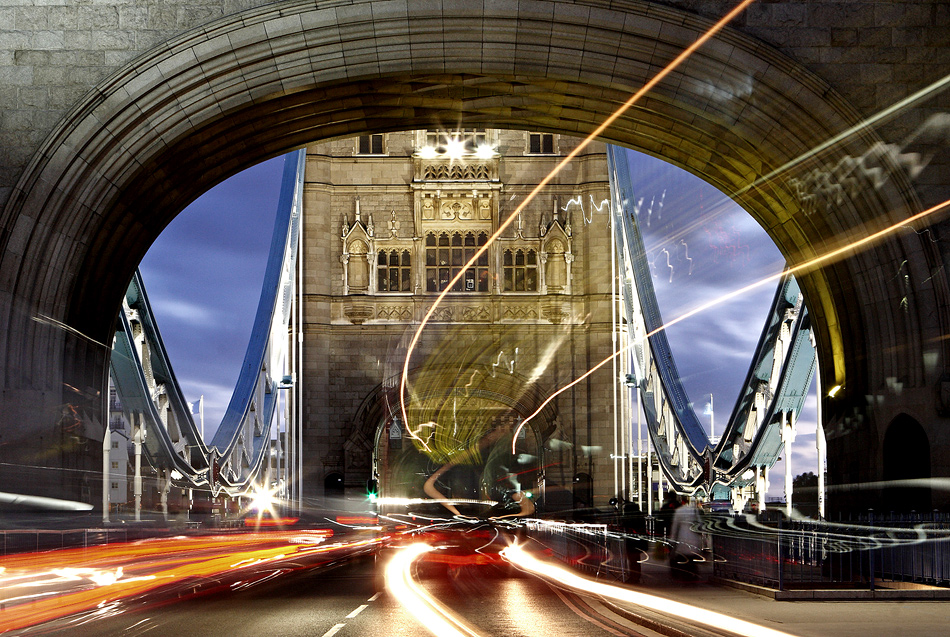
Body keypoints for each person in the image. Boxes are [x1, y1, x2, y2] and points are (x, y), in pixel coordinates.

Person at [669, 496, 703, 579]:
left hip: (682, 538)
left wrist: (672, 541)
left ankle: (685, 576)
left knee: (683, 559)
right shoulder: (694, 511)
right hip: (694, 538)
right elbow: (700, 525)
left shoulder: (679, 511)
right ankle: (693, 576)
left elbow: (675, 527)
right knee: (692, 559)